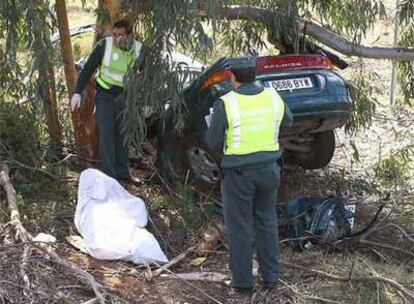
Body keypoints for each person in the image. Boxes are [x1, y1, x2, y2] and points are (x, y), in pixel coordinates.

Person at [204, 57, 292, 297]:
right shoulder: (273, 97)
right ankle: (271, 278)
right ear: (255, 74)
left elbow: (212, 140)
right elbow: (289, 121)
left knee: (240, 226)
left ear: (232, 77)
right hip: (269, 170)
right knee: (266, 221)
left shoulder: (227, 103)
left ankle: (243, 285)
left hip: (239, 174)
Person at [71, 19, 142, 183]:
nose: (117, 39)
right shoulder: (105, 46)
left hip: (126, 99)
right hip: (105, 96)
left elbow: (147, 76)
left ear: (130, 35)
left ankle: (123, 173)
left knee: (123, 136)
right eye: (115, 34)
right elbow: (88, 68)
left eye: (121, 35)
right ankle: (111, 177)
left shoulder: (138, 50)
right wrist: (77, 92)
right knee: (106, 135)